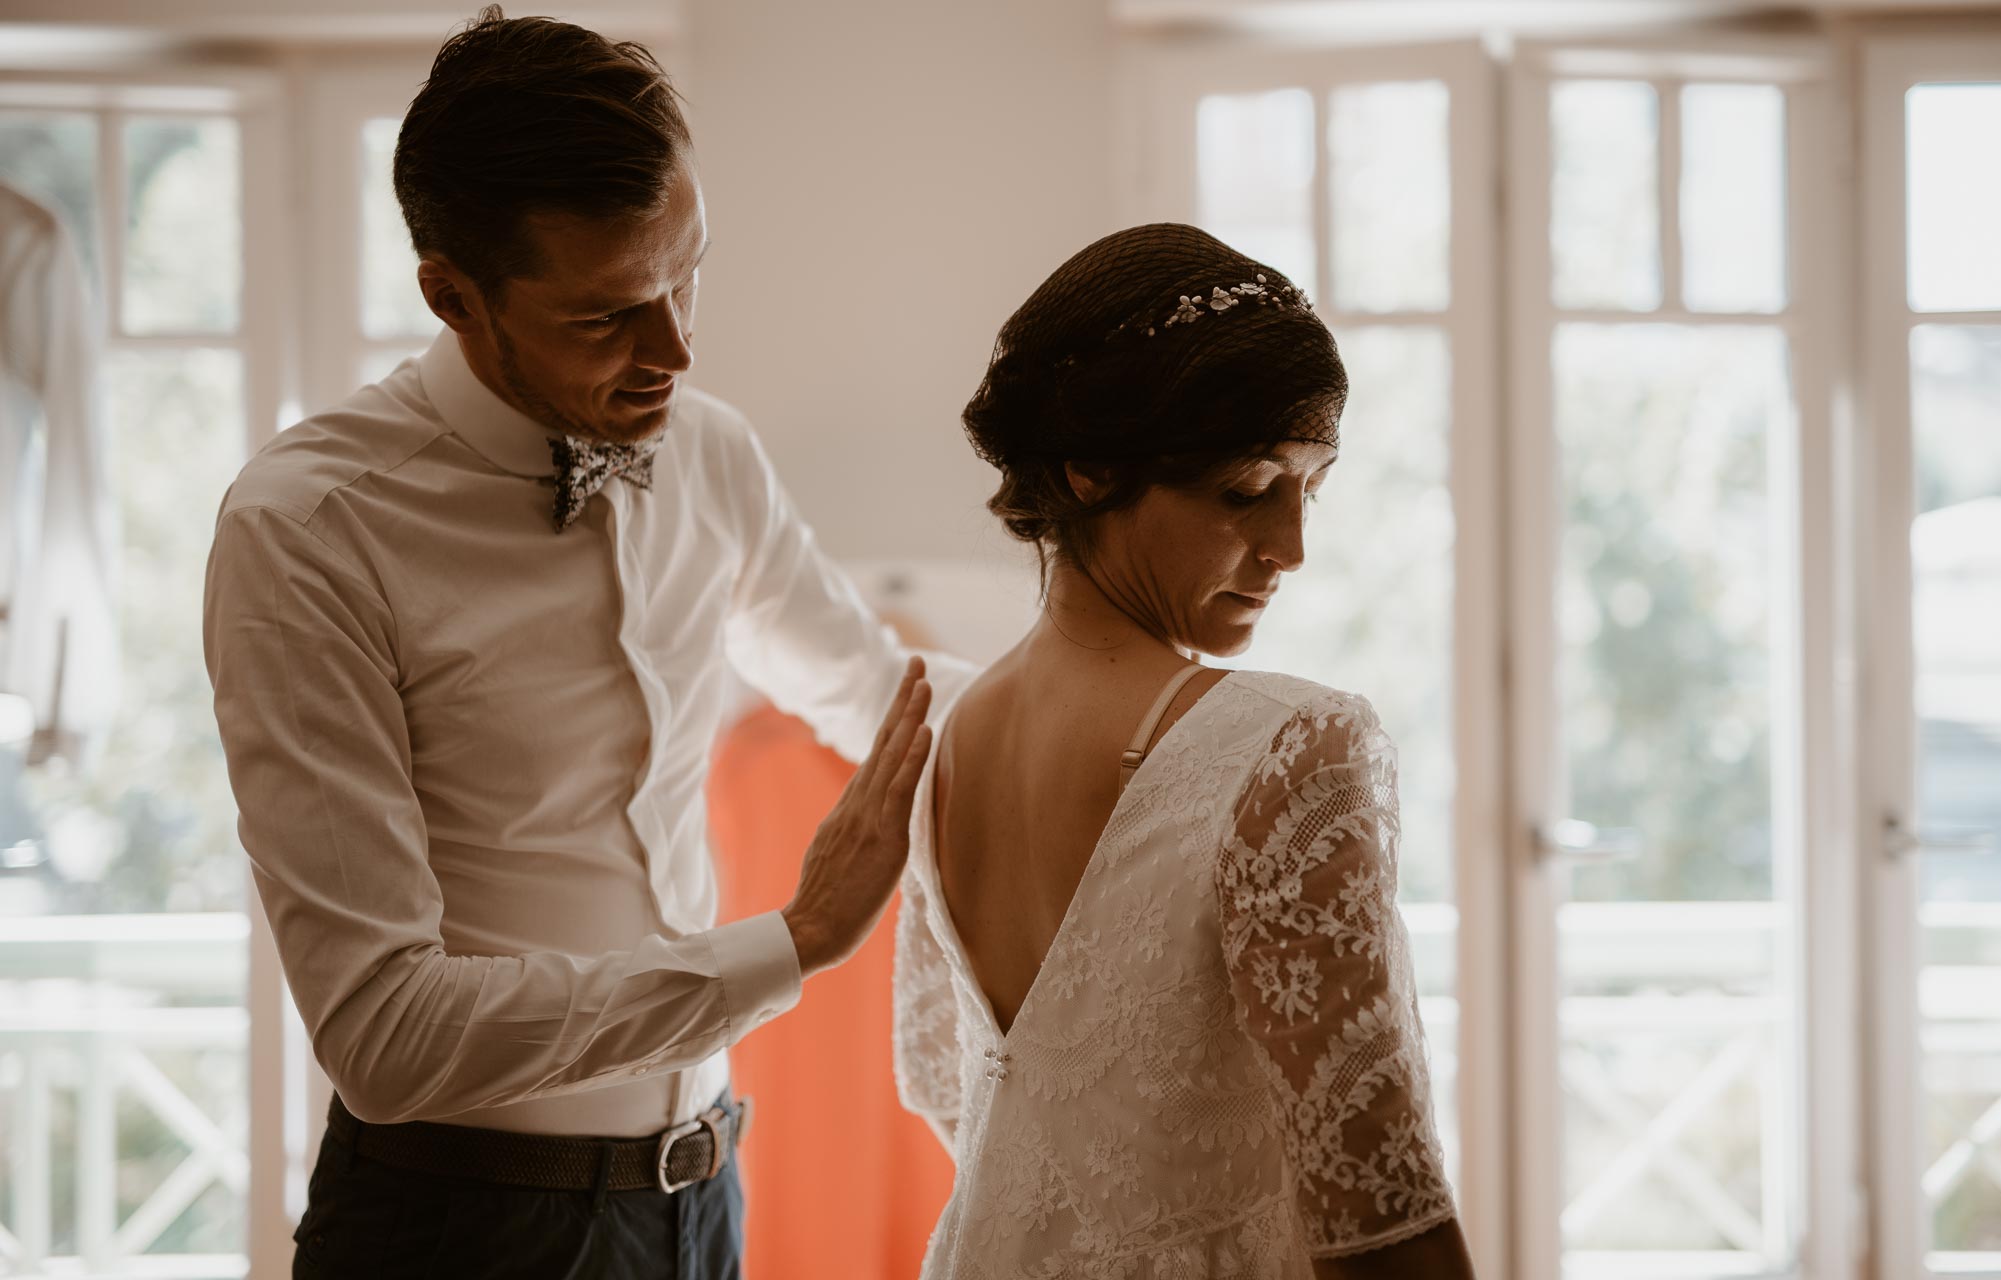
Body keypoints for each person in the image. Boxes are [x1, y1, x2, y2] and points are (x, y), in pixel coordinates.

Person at [202, 9, 963, 1277]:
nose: (676, 349)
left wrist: (1125, 732)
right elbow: (384, 1031)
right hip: (458, 1226)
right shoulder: (308, 531)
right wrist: (788, 943)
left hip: (708, 1196)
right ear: (453, 295)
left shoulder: (710, 448)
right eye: (605, 317)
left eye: (688, 275)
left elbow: (878, 694)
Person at [892, 224, 1476, 1278]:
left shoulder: (952, 737)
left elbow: (960, 1091)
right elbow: (1381, 1216)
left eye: (1312, 486)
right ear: (1086, 469)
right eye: (1247, 488)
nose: (1291, 547)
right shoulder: (1288, 752)